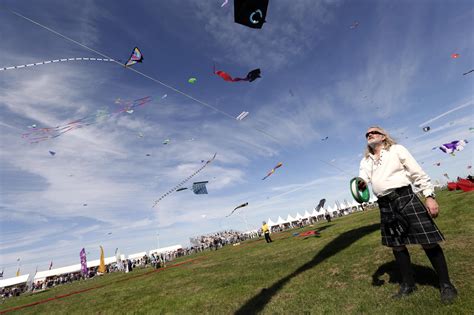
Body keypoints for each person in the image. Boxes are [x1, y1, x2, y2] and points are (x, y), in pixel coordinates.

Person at [358, 126, 457, 304]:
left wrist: (429, 196)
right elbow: (363, 180)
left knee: (427, 242)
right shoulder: (366, 161)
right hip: (385, 204)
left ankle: (446, 285)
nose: (369, 135)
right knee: (397, 245)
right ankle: (409, 284)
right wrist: (359, 189)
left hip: (405, 198)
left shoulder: (397, 149)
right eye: (367, 134)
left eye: (373, 132)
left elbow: (416, 172)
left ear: (383, 136)